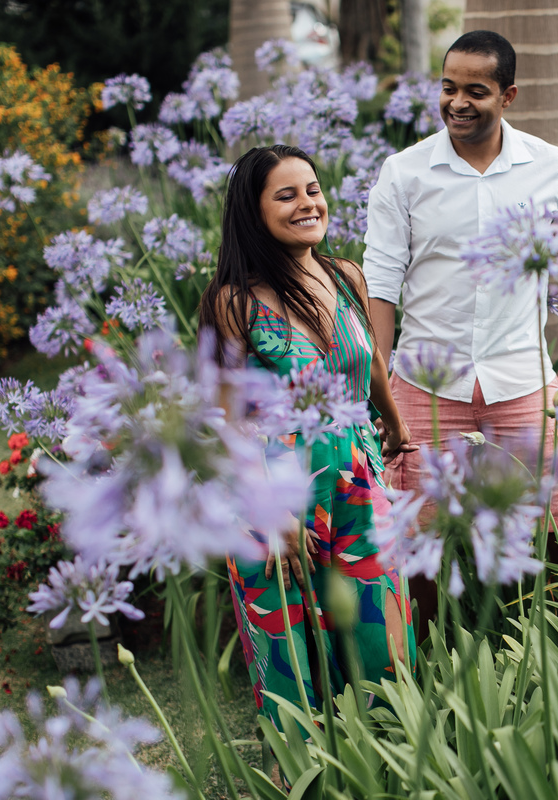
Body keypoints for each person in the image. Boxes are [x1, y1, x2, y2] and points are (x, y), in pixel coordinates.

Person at [363, 30, 558, 639]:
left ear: (508, 95)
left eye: (475, 91)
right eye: (448, 88)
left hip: (521, 377)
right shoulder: (404, 173)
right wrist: (377, 385)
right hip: (426, 382)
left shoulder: (549, 166)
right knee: (419, 529)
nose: (458, 102)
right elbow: (381, 285)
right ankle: (420, 663)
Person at [200, 144, 416, 730]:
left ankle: (396, 764)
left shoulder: (345, 276)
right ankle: (307, 778)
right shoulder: (234, 304)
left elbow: (367, 358)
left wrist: (392, 422)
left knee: (384, 641)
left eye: (313, 190)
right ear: (254, 211)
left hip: (356, 482)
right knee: (295, 657)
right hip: (276, 494)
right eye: (287, 194)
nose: (307, 204)